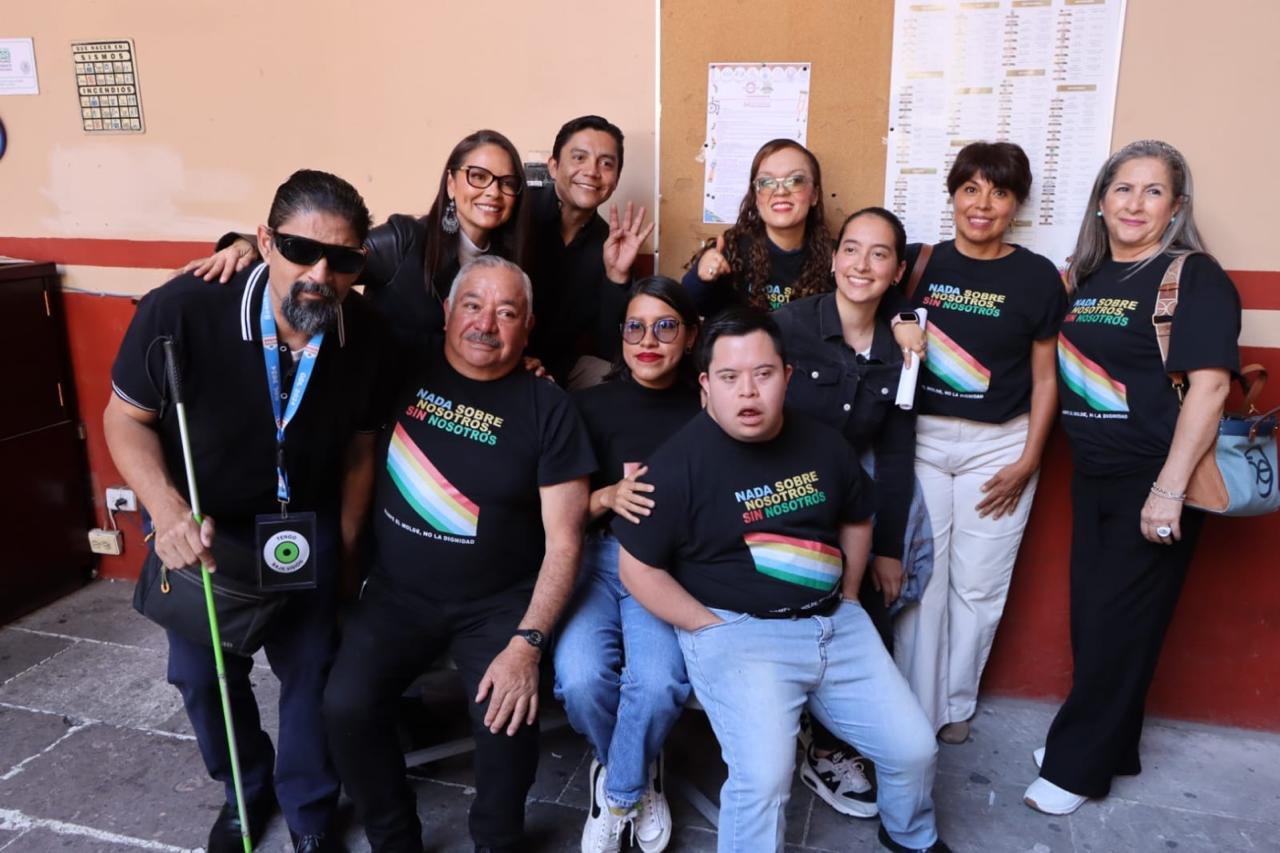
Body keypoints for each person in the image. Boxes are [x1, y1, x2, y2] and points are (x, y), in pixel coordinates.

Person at [104, 169, 386, 853]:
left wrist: (349, 546)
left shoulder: (366, 332)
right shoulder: (182, 309)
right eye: (300, 250)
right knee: (203, 676)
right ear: (264, 240)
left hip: (306, 526)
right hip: (207, 529)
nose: (320, 274)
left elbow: (359, 449)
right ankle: (244, 790)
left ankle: (310, 810)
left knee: (312, 671)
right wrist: (166, 508)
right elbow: (124, 418)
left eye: (342, 259)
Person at [616, 309, 949, 853]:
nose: (748, 391)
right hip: (740, 633)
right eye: (729, 377)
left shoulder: (823, 443)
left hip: (835, 625)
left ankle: (911, 835)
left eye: (763, 374)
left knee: (914, 749)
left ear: (787, 376)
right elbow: (636, 567)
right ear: (706, 385)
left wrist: (848, 596)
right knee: (764, 778)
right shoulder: (675, 465)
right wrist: (708, 626)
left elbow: (858, 516)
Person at [321, 255, 595, 852]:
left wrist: (527, 644)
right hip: (396, 594)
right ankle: (394, 838)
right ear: (447, 312)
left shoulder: (548, 408)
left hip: (498, 603)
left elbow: (565, 542)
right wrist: (245, 252)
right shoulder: (402, 369)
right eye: (472, 305)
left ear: (527, 327)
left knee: (507, 718)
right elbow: (323, 287)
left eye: (507, 313)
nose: (486, 324)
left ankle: (497, 840)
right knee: (345, 705)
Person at [1024, 140, 1239, 815]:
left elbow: (1210, 388)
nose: (1135, 203)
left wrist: (1169, 489)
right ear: (1101, 200)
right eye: (1123, 188)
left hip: (1154, 476)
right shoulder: (1089, 278)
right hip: (1094, 474)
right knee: (1099, 619)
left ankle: (1078, 767)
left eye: (1154, 191)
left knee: (1119, 626)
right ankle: (1114, 746)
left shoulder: (1193, 276)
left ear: (1176, 207)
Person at [890, 141, 1068, 745]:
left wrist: (1029, 459)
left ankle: (956, 703)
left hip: (1001, 447)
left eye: (999, 192)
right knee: (924, 579)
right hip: (923, 441)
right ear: (953, 196)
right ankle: (916, 706)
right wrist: (899, 322)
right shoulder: (918, 263)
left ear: (1016, 204)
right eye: (970, 189)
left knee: (979, 585)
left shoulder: (1037, 277)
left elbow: (1046, 380)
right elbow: (870, 305)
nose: (983, 204)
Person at [773, 207, 917, 820]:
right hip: (777, 496)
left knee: (870, 609)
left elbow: (897, 451)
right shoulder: (790, 324)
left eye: (879, 254)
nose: (862, 265)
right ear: (832, 259)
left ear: (897, 271)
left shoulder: (902, 348)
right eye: (851, 249)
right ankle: (793, 726)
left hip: (847, 502)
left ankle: (837, 742)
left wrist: (888, 548)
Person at [554, 276, 701, 853]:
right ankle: (632, 762)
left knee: (660, 683)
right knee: (581, 680)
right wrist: (607, 497)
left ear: (690, 336)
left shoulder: (705, 409)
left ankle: (620, 786)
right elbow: (555, 513)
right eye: (635, 327)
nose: (648, 341)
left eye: (665, 327)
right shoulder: (585, 405)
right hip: (592, 558)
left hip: (664, 567)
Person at [184, 130, 531, 359]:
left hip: (450, 402)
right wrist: (244, 245)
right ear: (452, 184)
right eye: (478, 177)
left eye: (506, 182)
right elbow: (326, 252)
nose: (493, 192)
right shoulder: (405, 240)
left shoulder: (509, 266)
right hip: (387, 400)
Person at [527, 115, 655, 386]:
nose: (592, 171)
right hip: (498, 358)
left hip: (560, 370)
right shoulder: (518, 214)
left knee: (629, 384)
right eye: (579, 158)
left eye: (606, 163)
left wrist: (616, 276)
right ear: (553, 166)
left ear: (616, 179)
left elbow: (611, 348)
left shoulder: (609, 244)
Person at [681, 138, 833, 316]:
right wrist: (701, 278)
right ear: (755, 196)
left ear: (814, 195)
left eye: (795, 180)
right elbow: (686, 308)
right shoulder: (730, 251)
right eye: (766, 182)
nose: (781, 191)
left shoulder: (837, 257)